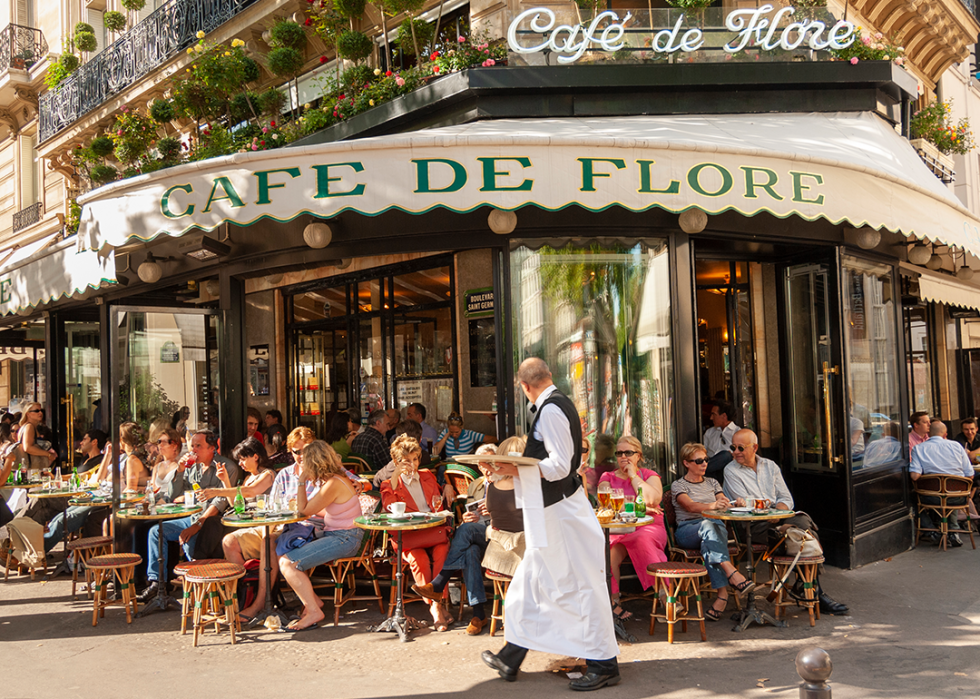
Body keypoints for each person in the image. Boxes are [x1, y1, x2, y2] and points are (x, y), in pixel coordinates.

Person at [482, 358, 620, 691]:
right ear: (550, 377)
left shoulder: (552, 410)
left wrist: (515, 469)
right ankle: (511, 655)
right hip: (554, 509)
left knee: (582, 585)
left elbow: (559, 466)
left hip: (562, 512)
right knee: (531, 582)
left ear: (523, 386)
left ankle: (604, 665)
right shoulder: (554, 406)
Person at [722, 428, 849, 616]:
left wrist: (778, 515)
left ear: (755, 447)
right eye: (733, 447)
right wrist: (776, 515)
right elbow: (747, 505)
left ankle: (808, 584)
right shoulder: (731, 470)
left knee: (804, 522)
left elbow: (786, 498)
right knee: (800, 534)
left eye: (741, 447)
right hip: (751, 525)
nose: (736, 452)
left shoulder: (770, 466)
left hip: (777, 518)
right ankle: (812, 589)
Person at [415, 437, 526, 635]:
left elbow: (511, 515)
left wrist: (491, 512)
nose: (487, 468)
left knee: (466, 533)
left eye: (491, 463)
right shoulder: (475, 485)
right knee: (470, 548)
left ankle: (440, 583)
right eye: (482, 464)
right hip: (485, 537)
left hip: (504, 538)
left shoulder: (507, 483)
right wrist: (469, 516)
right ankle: (478, 613)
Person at [138, 430, 241, 603]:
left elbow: (220, 503)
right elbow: (174, 494)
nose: (193, 450)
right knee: (157, 531)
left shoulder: (226, 467)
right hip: (193, 516)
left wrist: (197, 525)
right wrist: (179, 470)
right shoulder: (192, 466)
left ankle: (198, 586)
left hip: (212, 523)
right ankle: (158, 583)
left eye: (198, 446)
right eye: (192, 446)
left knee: (188, 540)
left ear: (212, 448)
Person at [234, 427, 317, 622]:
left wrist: (361, 485)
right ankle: (239, 601)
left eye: (306, 450)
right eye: (297, 451)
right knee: (230, 541)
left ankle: (260, 603)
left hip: (306, 527)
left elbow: (356, 482)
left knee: (267, 542)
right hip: (279, 525)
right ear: (290, 451)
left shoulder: (321, 471)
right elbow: (271, 507)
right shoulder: (284, 475)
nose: (302, 455)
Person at [278, 440, 362, 631]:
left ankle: (314, 610)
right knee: (288, 548)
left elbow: (303, 510)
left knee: (288, 562)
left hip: (344, 538)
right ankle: (312, 602)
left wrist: (301, 481)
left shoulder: (333, 483)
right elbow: (328, 512)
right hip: (342, 534)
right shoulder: (336, 479)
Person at [670, 442, 756, 621]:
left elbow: (722, 502)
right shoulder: (678, 485)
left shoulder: (712, 482)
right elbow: (690, 506)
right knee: (711, 527)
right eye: (699, 460)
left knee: (710, 542)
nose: (704, 464)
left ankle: (722, 595)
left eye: (706, 460)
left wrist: (733, 503)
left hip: (712, 530)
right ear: (686, 463)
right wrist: (713, 506)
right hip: (688, 531)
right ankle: (731, 572)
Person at [380, 434, 452, 630]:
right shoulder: (389, 484)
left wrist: (448, 486)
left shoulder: (427, 475)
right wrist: (395, 475)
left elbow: (437, 499)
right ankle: (436, 606)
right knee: (418, 558)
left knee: (442, 552)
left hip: (431, 530)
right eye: (406, 461)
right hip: (409, 536)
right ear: (396, 462)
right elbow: (389, 507)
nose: (412, 464)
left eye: (415, 459)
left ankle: (436, 605)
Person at [598, 435, 668, 619]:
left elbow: (653, 498)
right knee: (608, 551)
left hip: (648, 526)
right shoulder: (607, 477)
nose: (623, 457)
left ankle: (665, 595)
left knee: (641, 539)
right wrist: (643, 506)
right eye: (619, 453)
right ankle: (613, 602)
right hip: (619, 528)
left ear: (638, 455)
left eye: (628, 452)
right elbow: (607, 505)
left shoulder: (649, 476)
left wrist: (633, 476)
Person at [910, 420, 974, 547]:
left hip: (931, 497)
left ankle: (932, 532)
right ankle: (953, 531)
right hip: (958, 498)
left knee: (911, 498)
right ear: (945, 434)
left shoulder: (919, 448)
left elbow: (914, 476)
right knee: (951, 491)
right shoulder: (956, 446)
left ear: (929, 433)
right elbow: (970, 474)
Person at [372, 420, 435, 489]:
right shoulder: (425, 456)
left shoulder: (399, 461)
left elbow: (377, 480)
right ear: (420, 439)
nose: (412, 464)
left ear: (397, 439)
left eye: (415, 459)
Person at [148, 427, 182, 497]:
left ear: (175, 446)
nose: (161, 445)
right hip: (157, 501)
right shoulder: (157, 466)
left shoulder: (180, 465)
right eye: (159, 441)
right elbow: (152, 487)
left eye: (165, 442)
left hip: (172, 501)